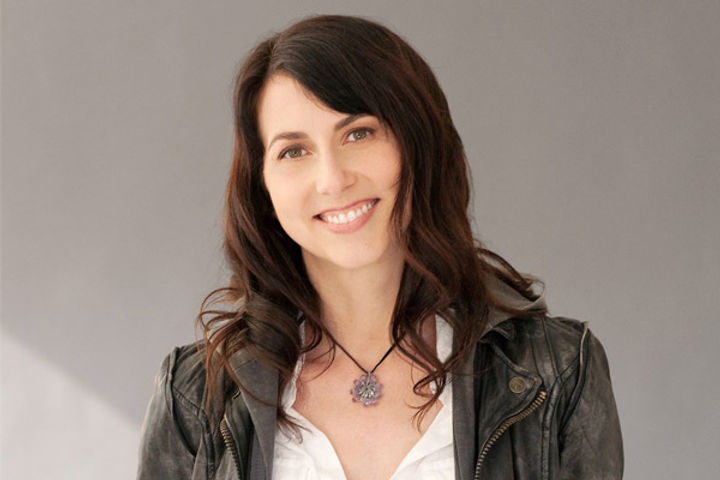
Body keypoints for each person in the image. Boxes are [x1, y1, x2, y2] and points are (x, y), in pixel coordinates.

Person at [137, 14, 623, 480]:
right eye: (294, 150)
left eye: (358, 133)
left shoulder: (558, 371)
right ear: (262, 185)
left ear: (418, 144)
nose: (332, 179)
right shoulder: (194, 396)